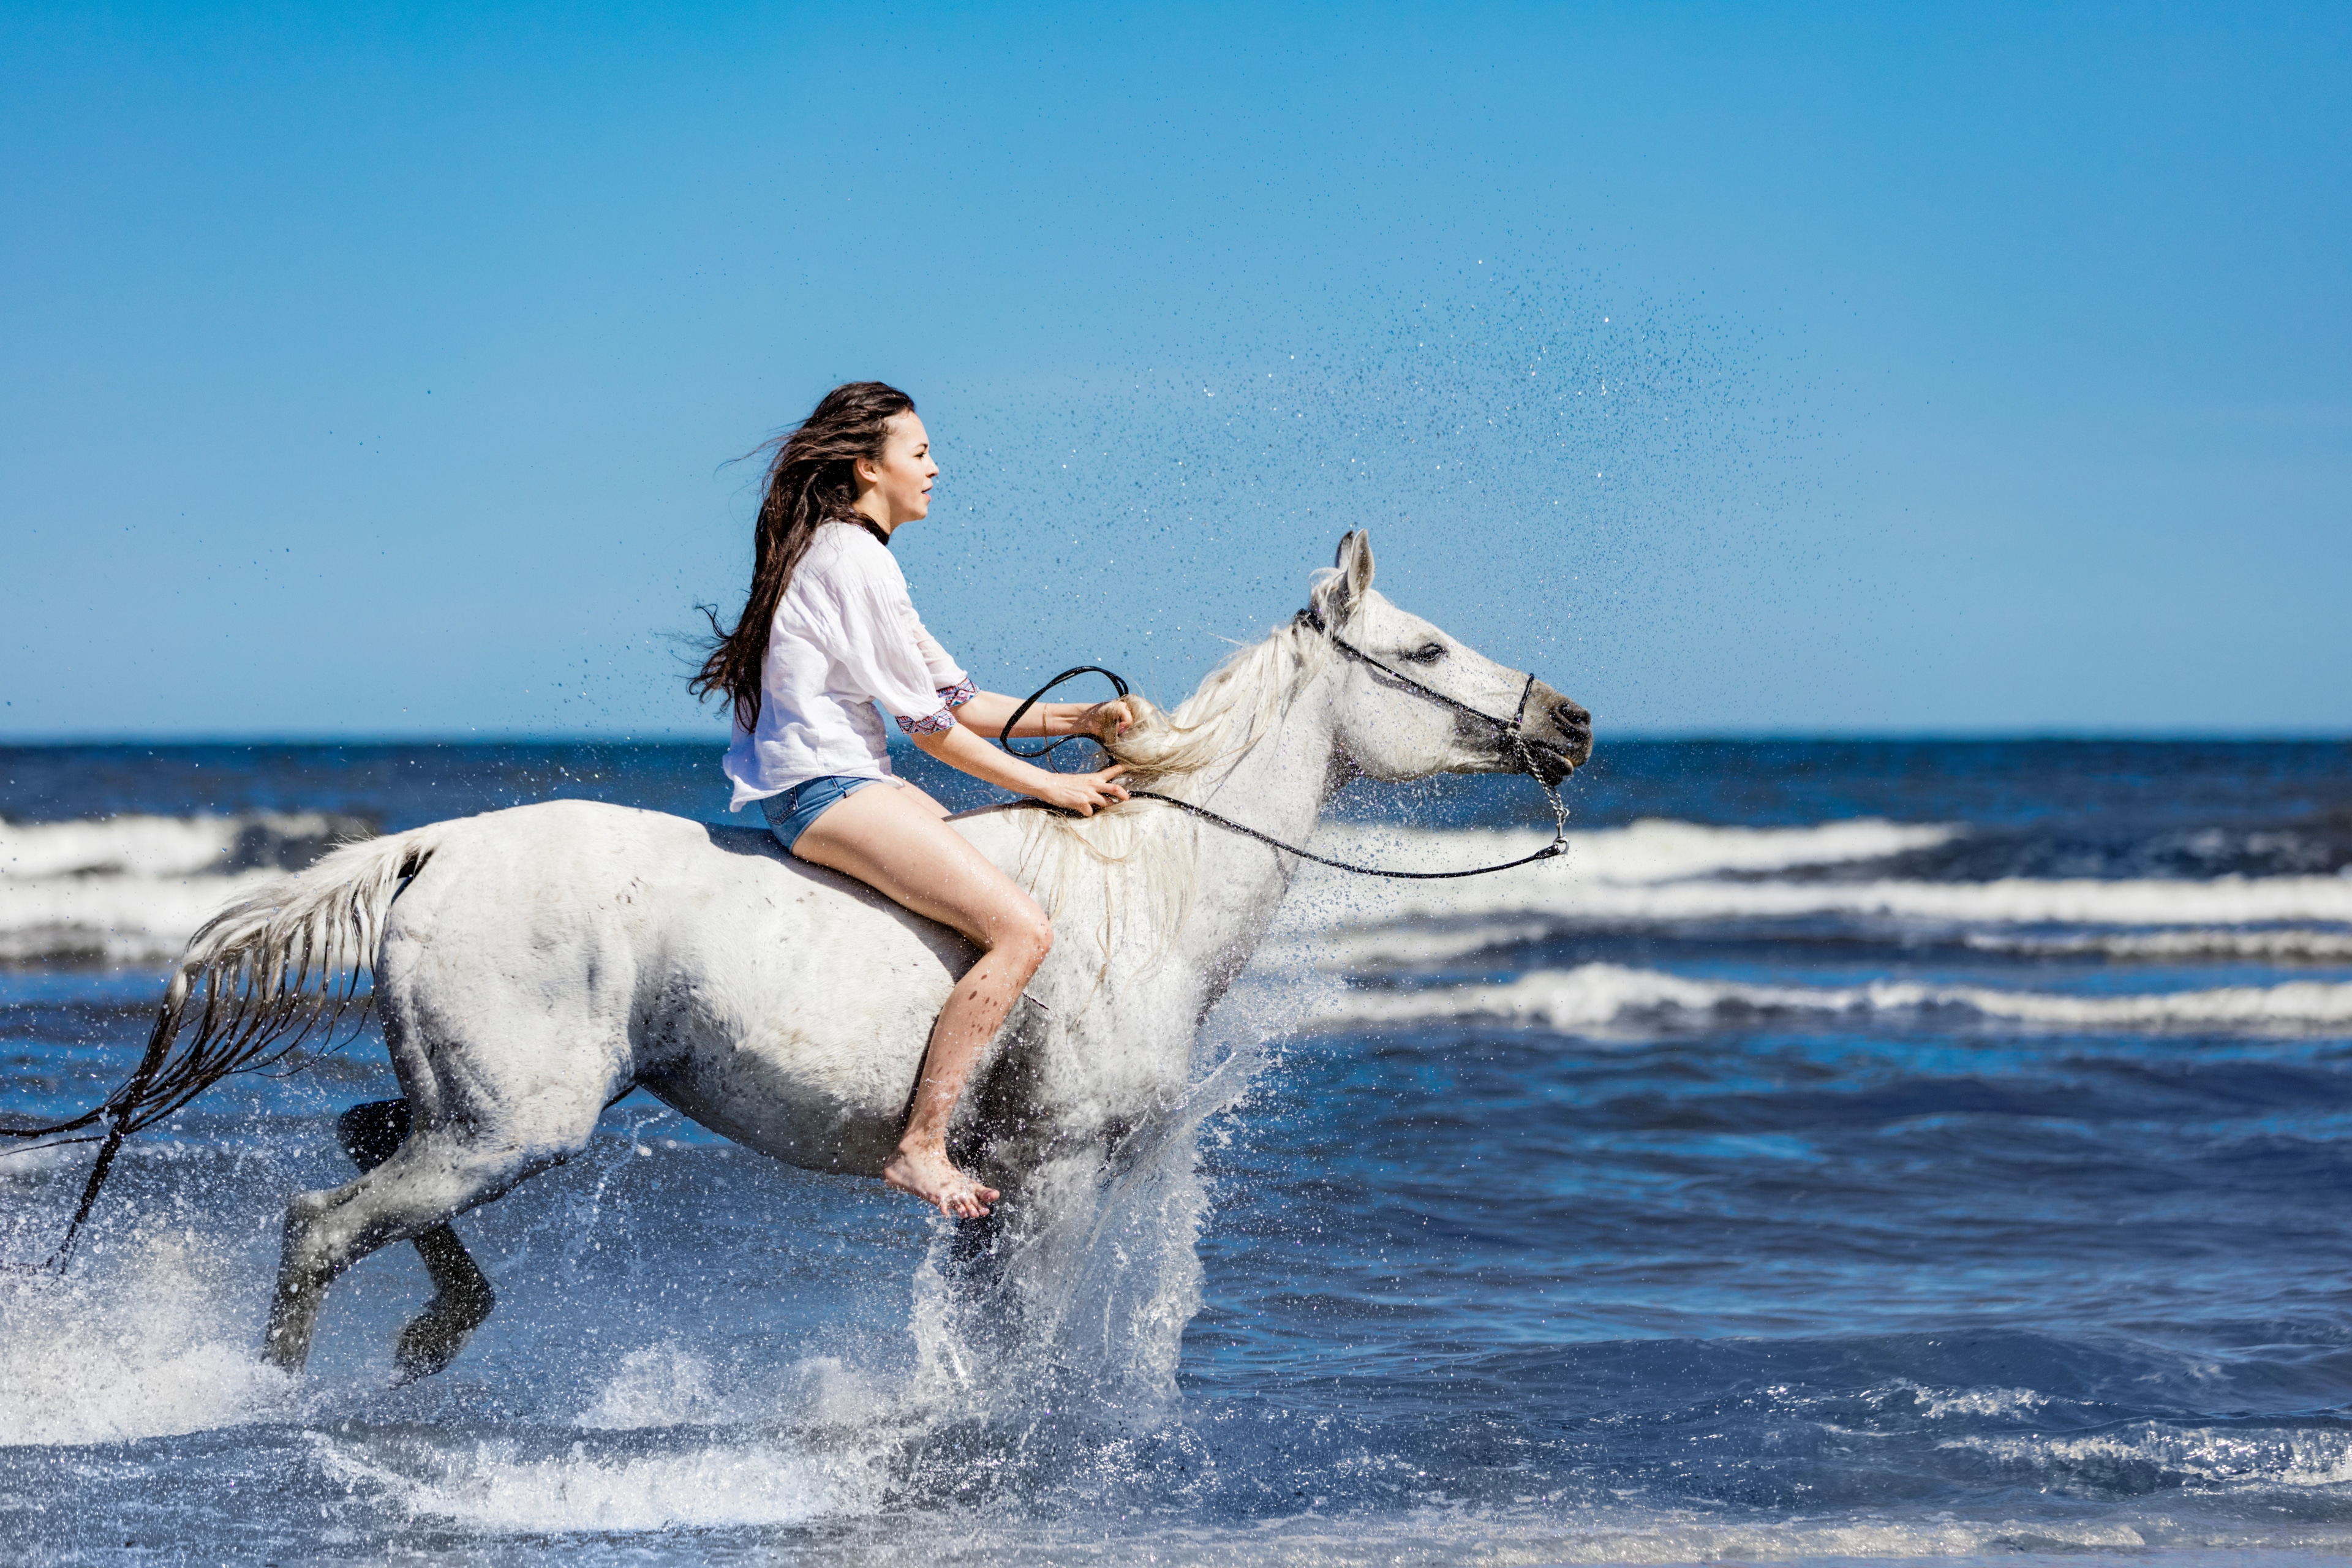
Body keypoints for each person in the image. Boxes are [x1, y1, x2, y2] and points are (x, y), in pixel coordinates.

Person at [692, 382, 1133, 1220]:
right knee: (1022, 928)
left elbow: (964, 702)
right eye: (919, 453)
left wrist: (1085, 720)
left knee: (1000, 881)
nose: (936, 468)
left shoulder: (845, 552)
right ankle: (921, 1146)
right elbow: (932, 731)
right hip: (828, 791)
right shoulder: (856, 561)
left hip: (846, 782)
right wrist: (1051, 783)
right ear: (867, 467)